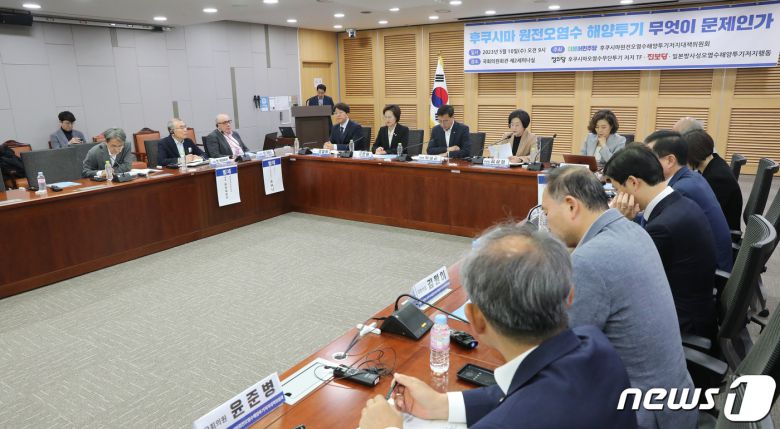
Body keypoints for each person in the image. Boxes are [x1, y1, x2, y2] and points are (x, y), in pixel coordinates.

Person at [359, 223, 637, 429]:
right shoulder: (595, 345)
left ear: (476, 319)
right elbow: (522, 391)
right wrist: (443, 404)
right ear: (570, 296)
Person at [541, 166, 698, 429]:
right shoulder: (631, 230)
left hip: (644, 416)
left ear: (571, 206)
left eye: (546, 212)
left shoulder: (589, 261)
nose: (546, 223)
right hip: (675, 401)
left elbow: (559, 352)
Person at [604, 146, 718, 342]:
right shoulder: (679, 203)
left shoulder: (663, 227)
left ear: (633, 182)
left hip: (682, 325)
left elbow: (624, 275)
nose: (616, 197)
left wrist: (617, 222)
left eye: (616, 190)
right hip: (695, 308)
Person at [645, 130, 733, 272]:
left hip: (710, 271)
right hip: (712, 259)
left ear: (670, 160)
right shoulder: (691, 177)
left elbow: (657, 235)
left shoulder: (681, 189)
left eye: (649, 158)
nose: (645, 164)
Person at [683, 129, 743, 231]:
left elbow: (705, 214)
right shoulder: (716, 162)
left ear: (693, 155)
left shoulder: (717, 178)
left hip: (721, 233)